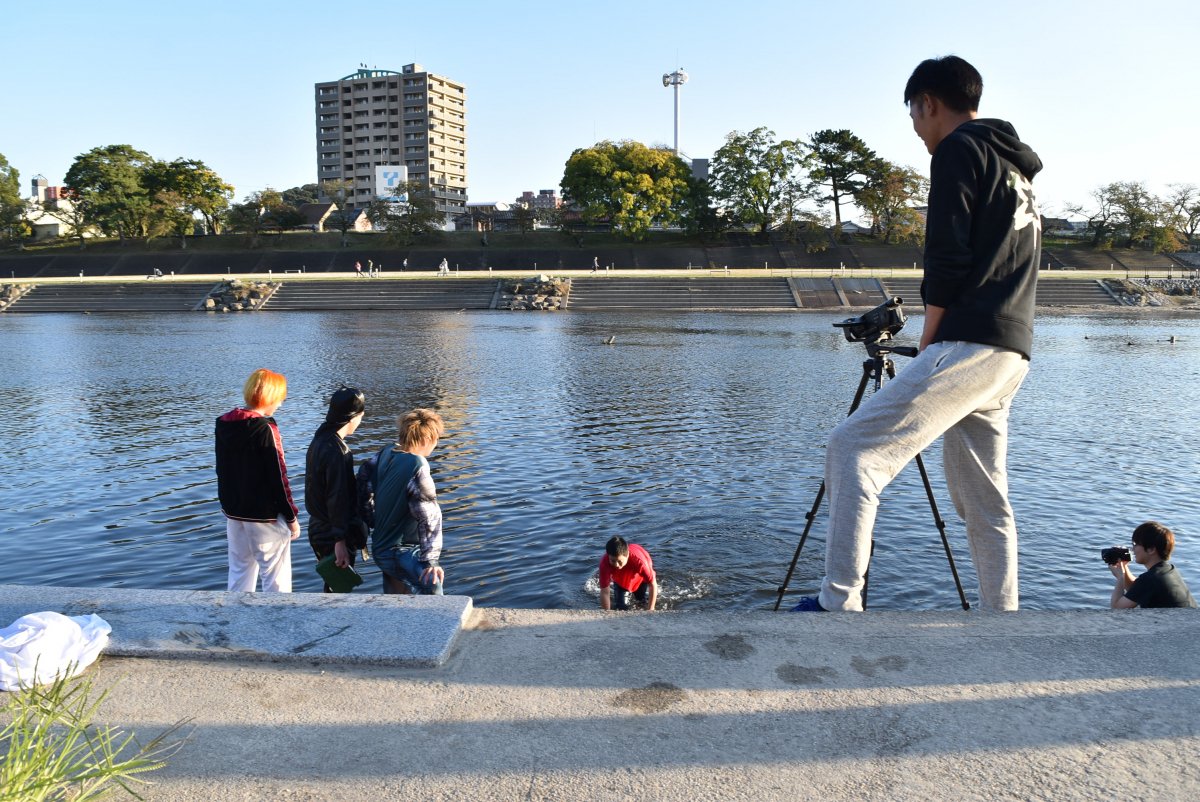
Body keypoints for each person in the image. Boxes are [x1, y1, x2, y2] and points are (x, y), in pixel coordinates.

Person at [794, 55, 1042, 613]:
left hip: (970, 341)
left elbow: (946, 255)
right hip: (1012, 348)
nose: (915, 128)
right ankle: (1003, 619)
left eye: (913, 113)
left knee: (852, 449)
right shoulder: (1016, 169)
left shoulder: (959, 148)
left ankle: (838, 604)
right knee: (984, 499)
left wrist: (931, 339)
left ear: (928, 102)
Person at [214, 368, 301, 592]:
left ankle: (236, 621)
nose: (280, 404)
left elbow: (221, 470)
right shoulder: (265, 428)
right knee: (276, 580)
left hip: (234, 513)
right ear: (270, 397)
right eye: (280, 399)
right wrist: (291, 517)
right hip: (265, 517)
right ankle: (276, 624)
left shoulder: (223, 423)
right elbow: (278, 477)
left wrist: (228, 506)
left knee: (239, 573)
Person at [358, 408, 446, 595]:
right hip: (400, 551)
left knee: (395, 601)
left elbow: (363, 485)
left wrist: (373, 520)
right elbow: (430, 517)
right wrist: (431, 561)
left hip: (380, 547)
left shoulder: (386, 453)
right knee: (433, 584)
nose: (436, 443)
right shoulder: (417, 466)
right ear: (426, 439)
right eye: (436, 438)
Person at [305, 387, 367, 592]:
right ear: (354, 417)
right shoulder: (338, 452)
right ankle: (335, 624)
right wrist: (339, 540)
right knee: (339, 590)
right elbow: (337, 496)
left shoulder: (319, 440)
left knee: (333, 586)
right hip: (332, 531)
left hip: (317, 525)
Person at [1109, 521, 1197, 609]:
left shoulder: (1150, 579)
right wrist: (1123, 568)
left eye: (1135, 544)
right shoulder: (1169, 570)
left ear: (1151, 549)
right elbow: (1137, 590)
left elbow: (1117, 608)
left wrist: (1120, 578)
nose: (1132, 549)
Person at [599, 536, 658, 611]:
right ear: (608, 556)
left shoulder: (640, 562)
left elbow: (652, 584)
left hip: (639, 578)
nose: (616, 565)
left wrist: (651, 609)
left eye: (619, 561)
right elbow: (604, 592)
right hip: (619, 580)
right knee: (620, 608)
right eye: (613, 561)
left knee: (641, 601)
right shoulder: (604, 563)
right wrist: (606, 613)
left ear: (627, 555)